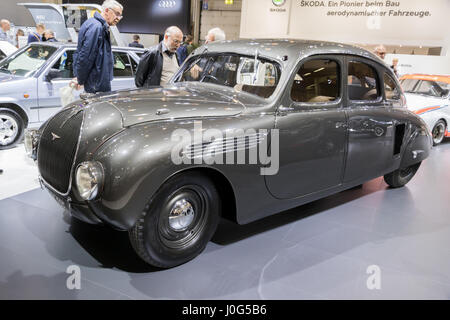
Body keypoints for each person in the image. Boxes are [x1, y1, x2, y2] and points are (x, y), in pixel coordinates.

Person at [72, 0, 123, 94]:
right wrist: (80, 79)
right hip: (96, 83)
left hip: (96, 81)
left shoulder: (96, 25)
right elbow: (86, 56)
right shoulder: (96, 27)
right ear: (107, 10)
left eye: (120, 16)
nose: (118, 18)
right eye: (117, 14)